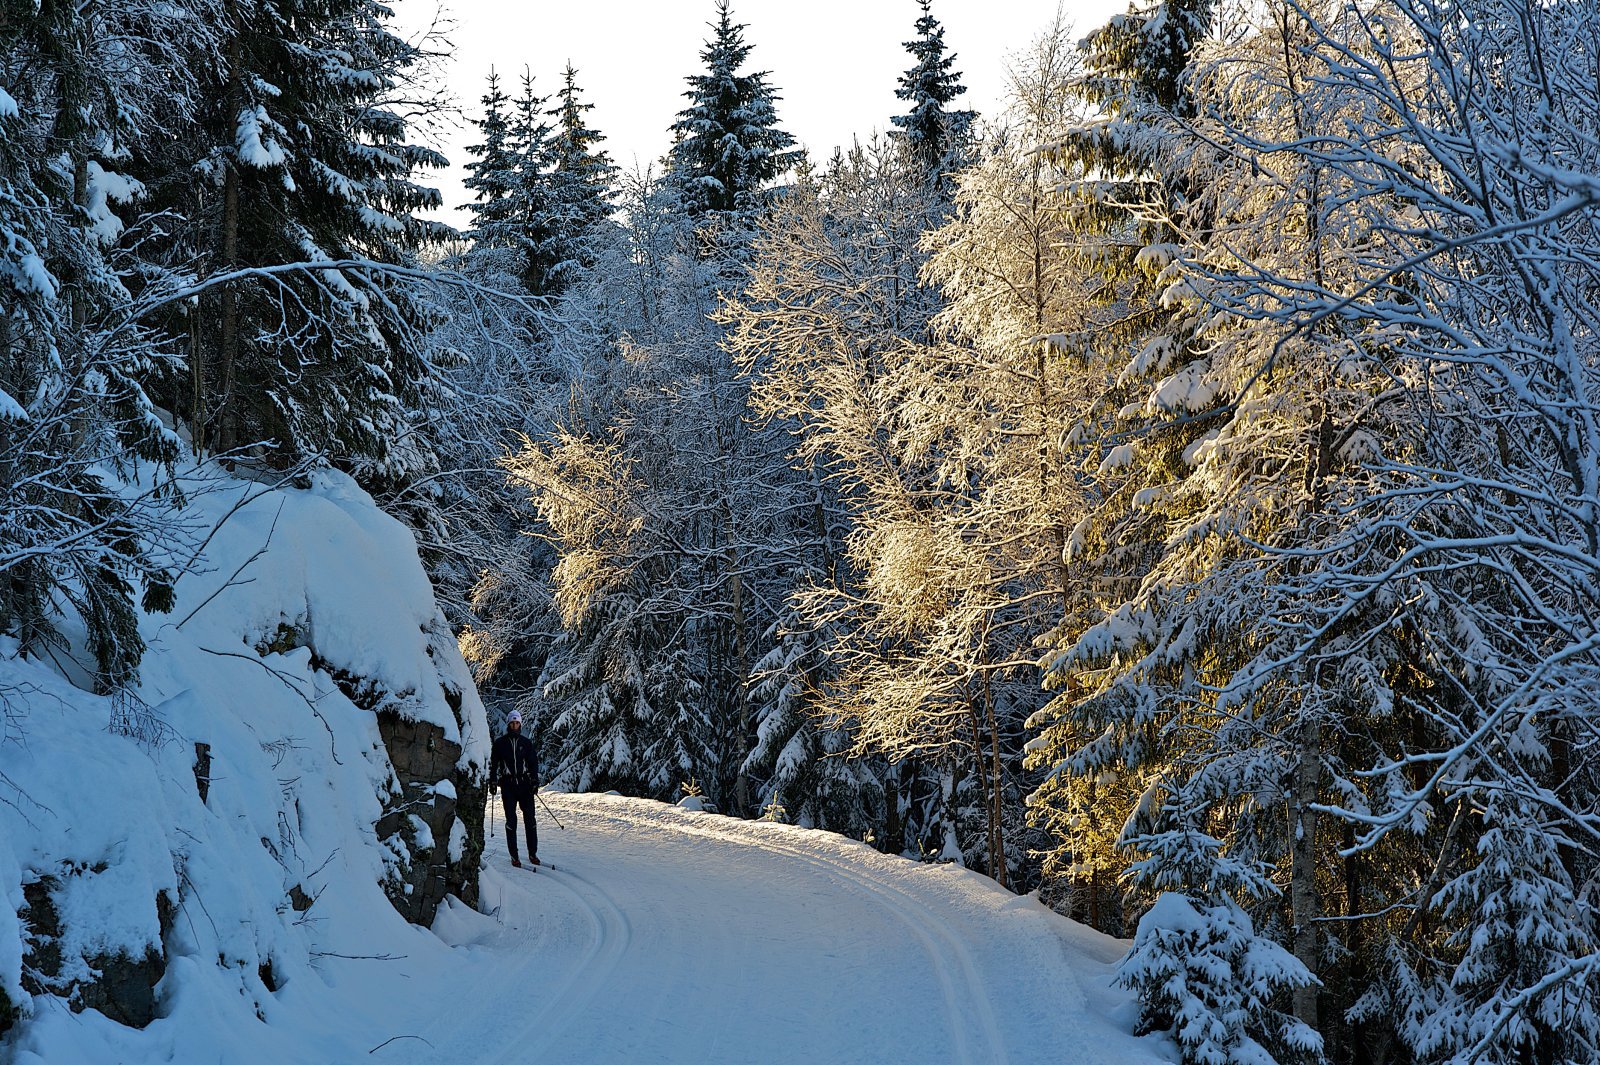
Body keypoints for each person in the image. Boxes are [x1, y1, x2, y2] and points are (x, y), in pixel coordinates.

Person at [488, 709, 540, 867]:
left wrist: (534, 781)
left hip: (524, 784)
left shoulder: (526, 743)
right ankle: (514, 855)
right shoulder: (500, 743)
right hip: (508, 785)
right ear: (509, 724)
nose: (515, 725)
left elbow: (533, 763)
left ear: (520, 724)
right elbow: (493, 764)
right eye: (512, 722)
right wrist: (492, 780)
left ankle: (532, 853)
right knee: (511, 820)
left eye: (517, 723)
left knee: (530, 820)